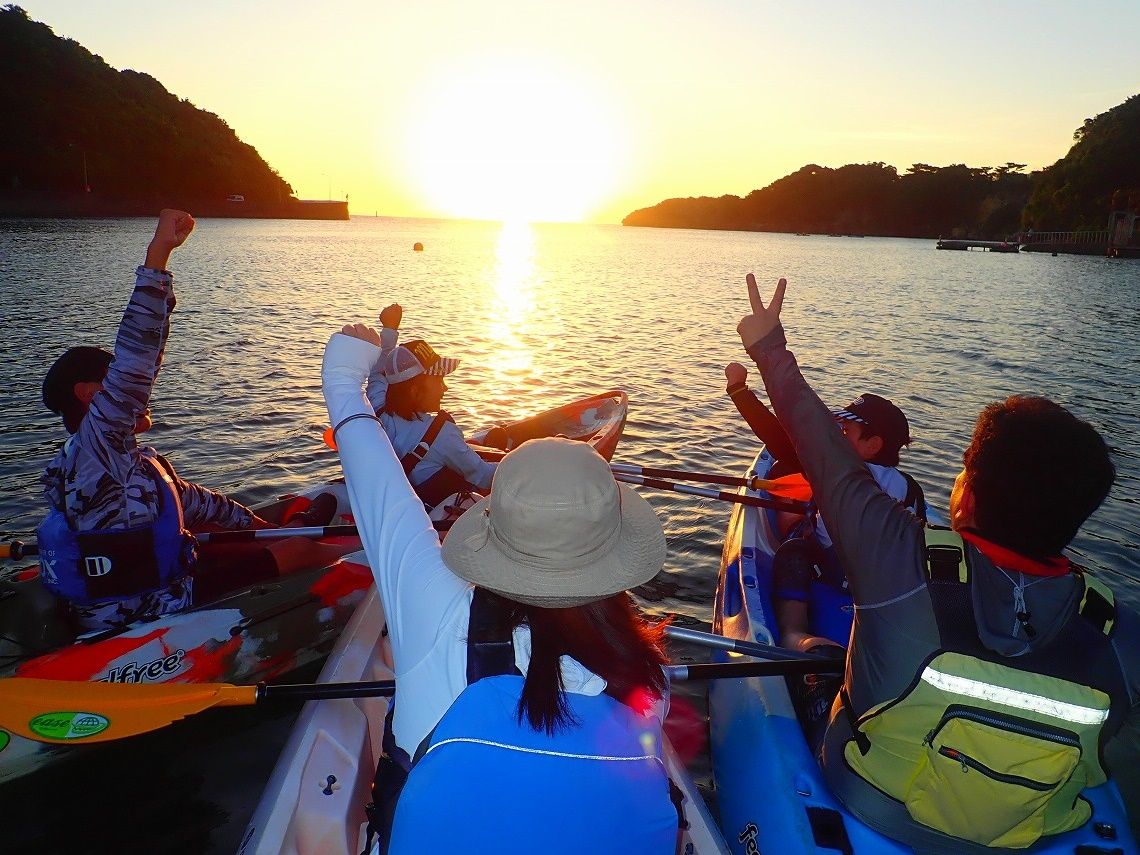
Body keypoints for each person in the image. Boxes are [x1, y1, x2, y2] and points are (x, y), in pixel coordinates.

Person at [735, 273, 1139, 851]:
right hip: (1030, 831)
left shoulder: (902, 558)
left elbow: (822, 450)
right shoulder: (1120, 627)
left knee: (823, 670)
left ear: (966, 493)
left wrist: (768, 348)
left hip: (874, 801)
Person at [323, 322, 681, 854]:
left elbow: (372, 472)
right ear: (613, 552)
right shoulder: (647, 680)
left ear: (492, 528)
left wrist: (344, 371)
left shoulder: (436, 604)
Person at [37, 210, 341, 632]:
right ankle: (362, 563)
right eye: (114, 385)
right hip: (146, 610)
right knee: (300, 555)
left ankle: (302, 532)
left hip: (161, 584)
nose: (140, 394)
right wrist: (158, 255)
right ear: (89, 395)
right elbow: (137, 358)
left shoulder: (117, 461)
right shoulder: (95, 448)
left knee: (248, 534)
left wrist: (266, 530)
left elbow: (199, 503)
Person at [725, 362, 926, 651]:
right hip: (888, 584)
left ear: (873, 445)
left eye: (845, 431)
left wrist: (738, 389)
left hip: (834, 571)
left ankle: (796, 635)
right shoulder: (911, 488)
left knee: (794, 551)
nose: (835, 435)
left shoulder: (833, 472)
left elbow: (777, 439)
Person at [363, 304, 497, 509]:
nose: (445, 387)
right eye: (439, 380)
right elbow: (484, 476)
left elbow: (377, 373)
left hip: (407, 505)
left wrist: (389, 328)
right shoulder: (443, 434)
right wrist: (525, 459)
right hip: (442, 515)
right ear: (415, 391)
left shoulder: (378, 408)